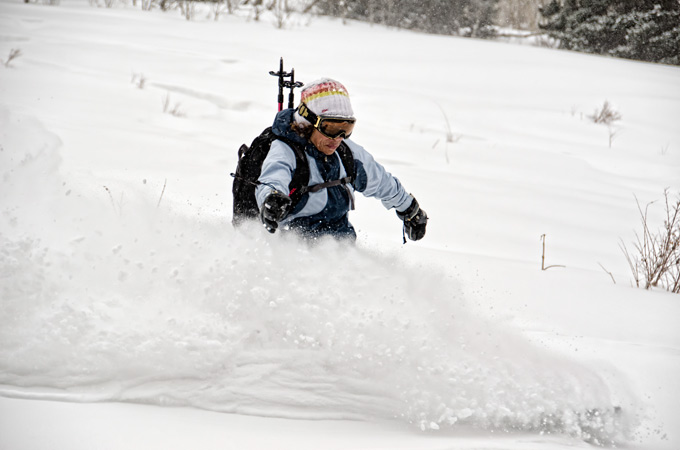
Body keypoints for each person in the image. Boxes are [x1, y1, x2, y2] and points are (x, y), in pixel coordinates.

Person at [256, 78, 427, 241]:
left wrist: (410, 209)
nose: (338, 138)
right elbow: (273, 177)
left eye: (346, 128)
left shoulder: (346, 153)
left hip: (339, 246)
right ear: (308, 122)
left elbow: (382, 182)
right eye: (330, 128)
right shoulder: (285, 150)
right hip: (290, 247)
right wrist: (272, 198)